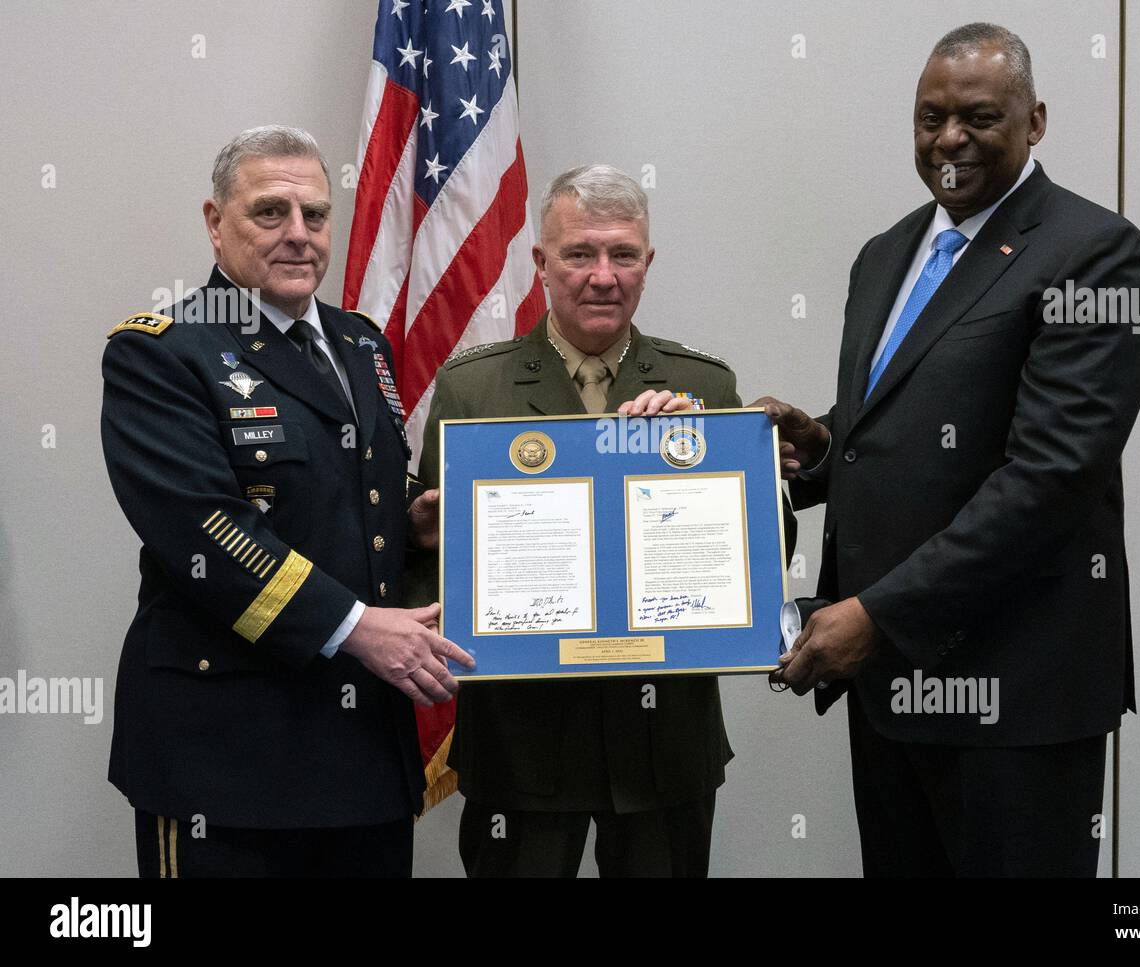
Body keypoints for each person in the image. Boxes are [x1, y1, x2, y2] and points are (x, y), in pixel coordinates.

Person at [761, 23, 1140, 876]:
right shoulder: (886, 254)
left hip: (1014, 698)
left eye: (978, 117)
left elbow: (1049, 477)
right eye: (929, 117)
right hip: (889, 694)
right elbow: (913, 429)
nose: (949, 139)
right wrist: (821, 447)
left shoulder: (1095, 254)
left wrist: (877, 615)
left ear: (1035, 120)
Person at [100, 125, 473, 877]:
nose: (299, 235)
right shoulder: (163, 350)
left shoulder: (361, 343)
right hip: (227, 755)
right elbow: (205, 532)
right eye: (270, 212)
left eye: (316, 215)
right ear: (215, 221)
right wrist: (357, 626)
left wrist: (410, 521)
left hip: (362, 745)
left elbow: (348, 490)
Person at [406, 164, 773, 877]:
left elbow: (755, 553)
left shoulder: (704, 386)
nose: (603, 276)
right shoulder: (473, 387)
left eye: (623, 254)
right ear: (541, 263)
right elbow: (433, 562)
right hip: (523, 748)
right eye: (580, 254)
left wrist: (697, 463)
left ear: (647, 263)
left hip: (666, 745)